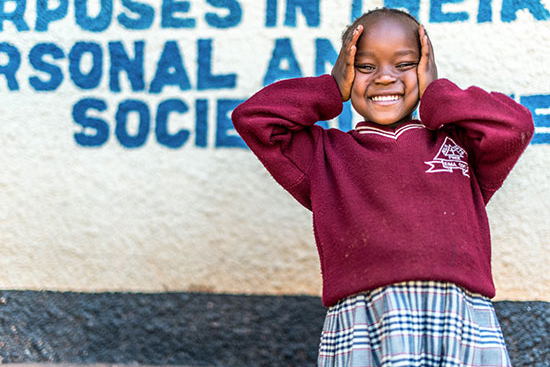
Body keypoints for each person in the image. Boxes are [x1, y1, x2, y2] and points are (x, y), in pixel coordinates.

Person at [232, 7, 534, 367]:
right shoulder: (325, 155)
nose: (385, 78)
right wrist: (330, 89)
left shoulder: (458, 145)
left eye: (404, 65)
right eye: (366, 66)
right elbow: (254, 119)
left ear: (425, 67)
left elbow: (514, 126)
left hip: (460, 313)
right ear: (347, 71)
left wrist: (436, 93)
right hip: (364, 318)